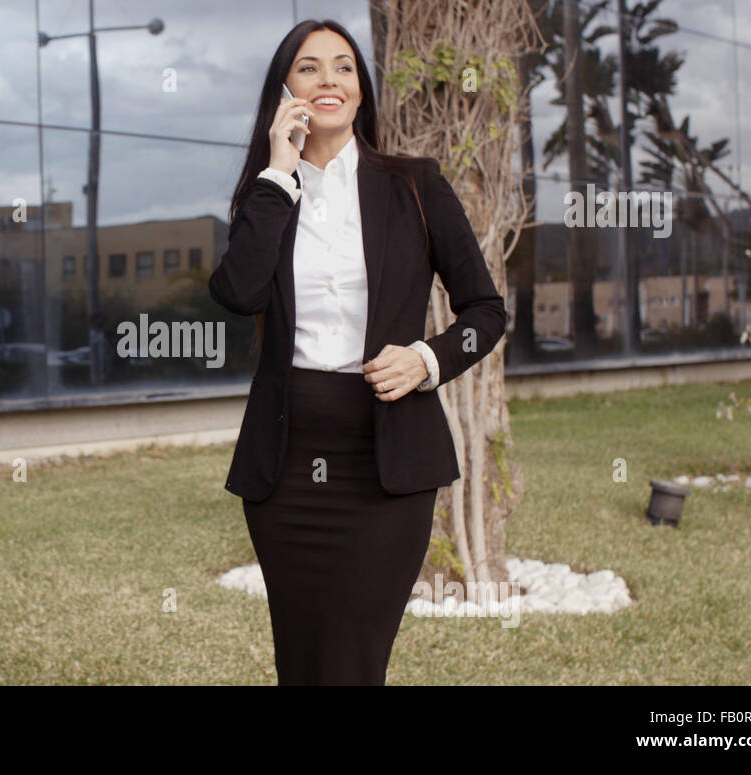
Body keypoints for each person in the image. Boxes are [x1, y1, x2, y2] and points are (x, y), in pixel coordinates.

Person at [208, 19, 507, 685]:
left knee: (352, 661)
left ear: (361, 89)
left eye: (343, 67)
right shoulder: (267, 193)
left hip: (388, 466)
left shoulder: (414, 186)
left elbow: (486, 311)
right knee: (302, 663)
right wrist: (278, 174)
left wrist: (427, 360)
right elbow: (238, 292)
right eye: (310, 67)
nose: (329, 80)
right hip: (285, 470)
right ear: (286, 89)